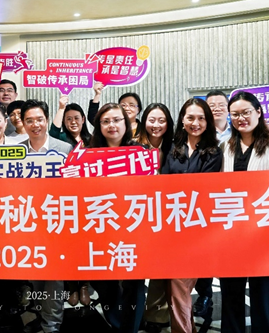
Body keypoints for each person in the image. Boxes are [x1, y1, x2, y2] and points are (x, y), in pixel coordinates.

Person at [220, 91, 269, 333]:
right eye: (235, 114)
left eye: (246, 112)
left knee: (264, 295)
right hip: (232, 230)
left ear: (258, 112)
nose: (240, 118)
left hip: (265, 230)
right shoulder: (226, 146)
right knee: (231, 293)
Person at [161, 98, 222, 333]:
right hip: (172, 225)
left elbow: (204, 189)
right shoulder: (172, 149)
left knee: (179, 283)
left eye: (201, 118)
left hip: (199, 228)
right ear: (182, 120)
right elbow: (163, 184)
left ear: (208, 121)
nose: (195, 123)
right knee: (177, 287)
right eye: (190, 118)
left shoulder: (214, 152)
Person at [88, 103, 146, 333]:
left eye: (116, 120)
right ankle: (117, 322)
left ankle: (130, 328)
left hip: (133, 223)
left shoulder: (140, 152)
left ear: (126, 123)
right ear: (99, 126)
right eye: (106, 121)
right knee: (103, 280)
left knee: (135, 282)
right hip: (100, 224)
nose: (111, 125)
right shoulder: (89, 155)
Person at [18, 99, 71, 333]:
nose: (35, 124)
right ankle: (39, 314)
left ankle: (52, 324)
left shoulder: (64, 149)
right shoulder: (15, 152)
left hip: (56, 220)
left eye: (39, 119)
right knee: (34, 274)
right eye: (29, 120)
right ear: (23, 123)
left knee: (55, 276)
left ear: (47, 120)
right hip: (27, 220)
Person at [135, 103, 174, 332]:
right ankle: (133, 313)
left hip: (167, 215)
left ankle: (156, 316)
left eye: (161, 120)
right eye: (151, 120)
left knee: (162, 267)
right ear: (144, 122)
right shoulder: (133, 147)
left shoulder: (176, 148)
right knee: (136, 266)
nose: (156, 125)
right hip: (137, 213)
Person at [193, 90, 231, 320]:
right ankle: (204, 294)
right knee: (203, 253)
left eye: (221, 104)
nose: (216, 108)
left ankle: (231, 303)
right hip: (202, 202)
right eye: (211, 105)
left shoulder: (238, 132)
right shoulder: (197, 133)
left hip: (229, 202)